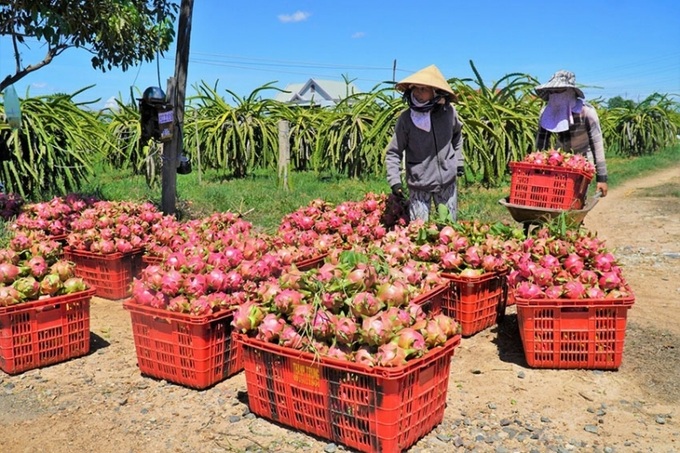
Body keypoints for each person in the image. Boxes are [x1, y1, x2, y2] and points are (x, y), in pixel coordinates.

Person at [385, 64, 465, 222]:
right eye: (416, 89)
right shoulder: (406, 119)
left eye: (423, 89)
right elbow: (393, 151)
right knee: (419, 230)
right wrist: (394, 180)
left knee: (448, 227)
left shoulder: (449, 113)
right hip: (419, 182)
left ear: (434, 92)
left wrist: (458, 161)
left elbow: (457, 135)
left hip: (447, 181)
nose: (418, 94)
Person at [535, 70, 608, 197]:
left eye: (559, 91)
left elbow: (597, 144)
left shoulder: (586, 112)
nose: (555, 95)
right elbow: (541, 143)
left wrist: (602, 178)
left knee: (576, 200)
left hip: (583, 166)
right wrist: (538, 169)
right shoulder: (546, 112)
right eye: (552, 92)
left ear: (571, 92)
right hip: (558, 164)